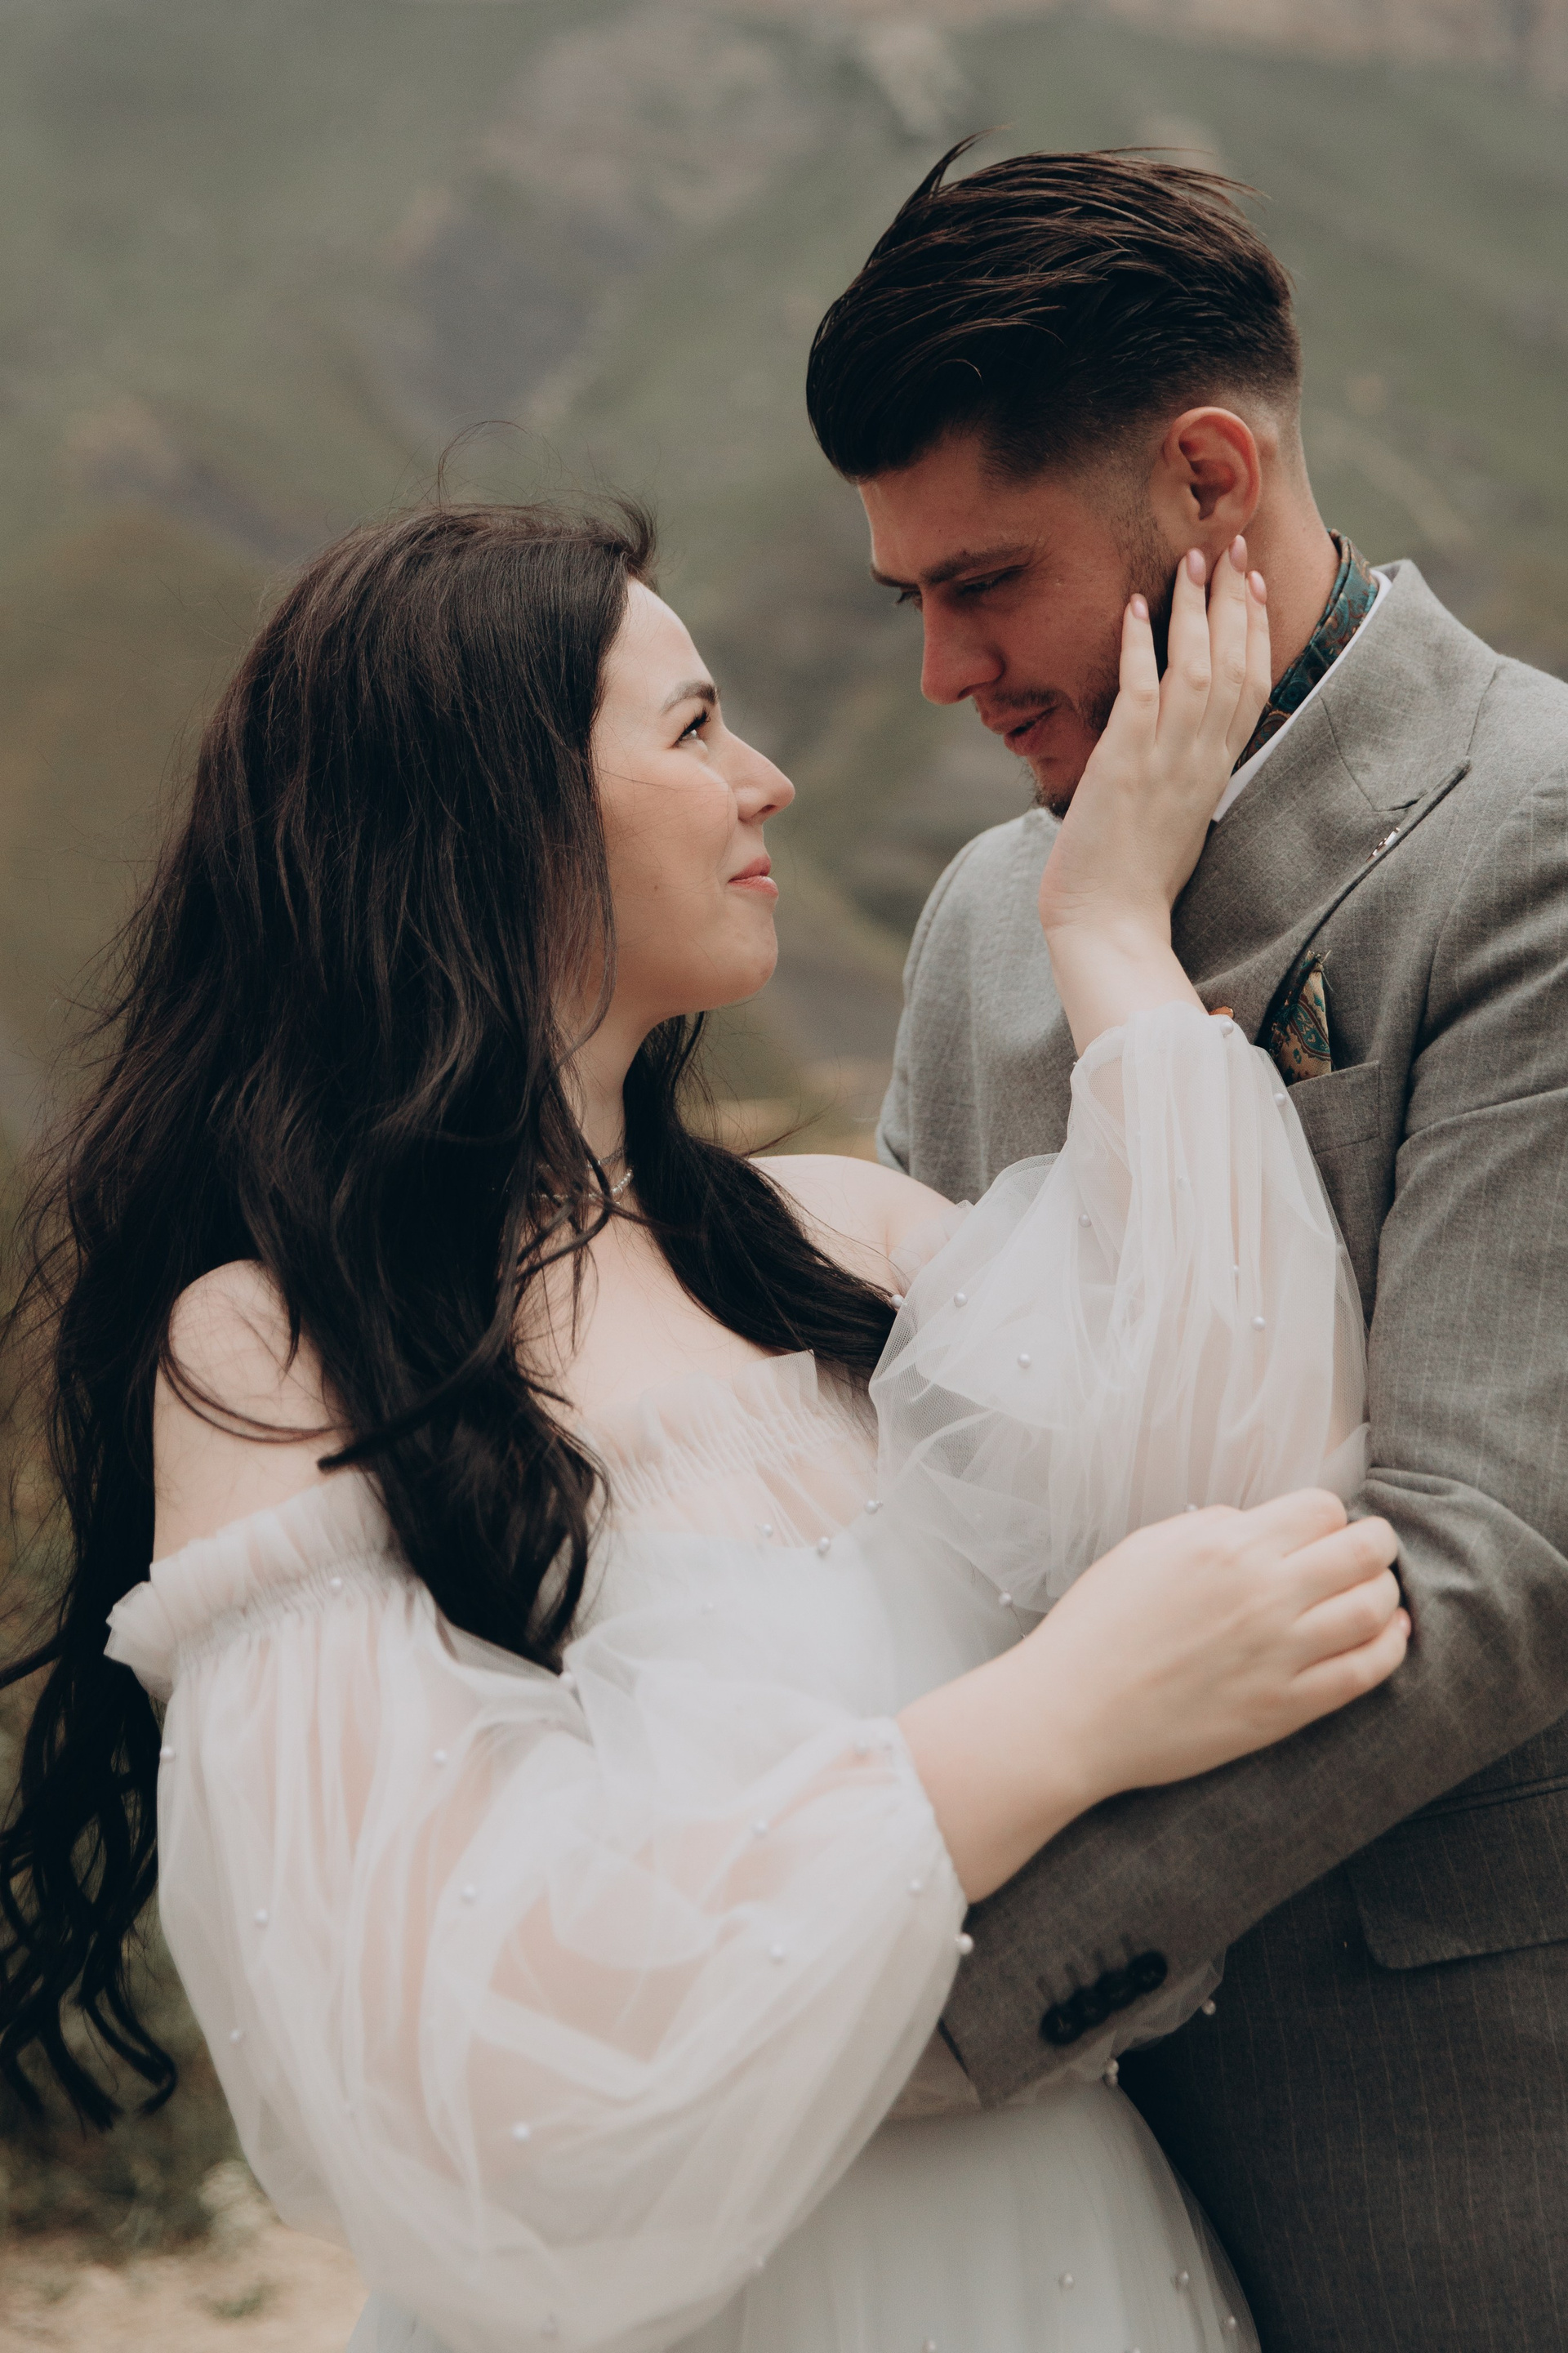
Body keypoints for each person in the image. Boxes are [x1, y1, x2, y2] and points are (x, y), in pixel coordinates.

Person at [0, 498, 1401, 2351]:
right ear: (492, 815)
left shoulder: (843, 1245)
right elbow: (450, 2068)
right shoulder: (279, 1355)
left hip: (1070, 2265)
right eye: (691, 727)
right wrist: (1061, 1714)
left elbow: (1267, 1493)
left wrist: (1112, 931)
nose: (768, 780)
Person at [806, 142, 1568, 2351]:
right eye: (909, 601)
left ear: (1211, 474)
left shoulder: (1532, 839)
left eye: (988, 582)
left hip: (1433, 2132)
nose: (944, 671)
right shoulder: (985, 919)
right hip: (1028, 2201)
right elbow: (908, 1490)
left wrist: (954, 2002)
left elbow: (1494, 1557)